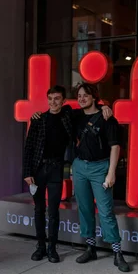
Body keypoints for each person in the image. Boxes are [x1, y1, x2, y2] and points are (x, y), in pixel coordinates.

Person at [27, 86, 112, 263]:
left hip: (57, 169)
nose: (53, 102)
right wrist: (27, 172)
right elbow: (28, 148)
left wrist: (103, 105)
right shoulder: (38, 119)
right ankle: (40, 247)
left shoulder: (68, 116)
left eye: (57, 98)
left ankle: (52, 248)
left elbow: (89, 109)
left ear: (64, 100)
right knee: (39, 209)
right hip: (38, 170)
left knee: (53, 211)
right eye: (50, 98)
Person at [71, 83, 131, 272]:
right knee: (85, 209)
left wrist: (111, 172)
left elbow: (115, 147)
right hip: (80, 166)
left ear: (94, 97)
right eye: (79, 95)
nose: (81, 99)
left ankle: (117, 252)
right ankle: (90, 247)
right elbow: (59, 110)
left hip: (100, 168)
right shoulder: (75, 116)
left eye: (85, 95)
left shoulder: (108, 119)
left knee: (105, 211)